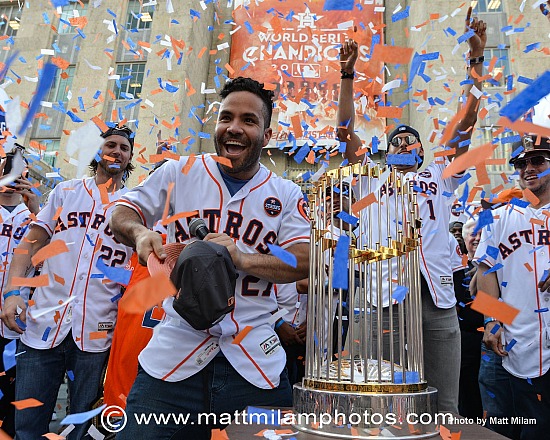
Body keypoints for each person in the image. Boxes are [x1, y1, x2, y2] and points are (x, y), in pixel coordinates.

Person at [109, 77, 310, 440]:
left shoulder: (285, 192)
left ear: (266, 135)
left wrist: (243, 258)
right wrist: (140, 233)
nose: (234, 128)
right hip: (175, 348)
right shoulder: (179, 172)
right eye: (226, 117)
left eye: (249, 120)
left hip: (253, 358)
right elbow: (122, 209)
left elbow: (304, 258)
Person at [337, 7, 486, 413]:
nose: (404, 145)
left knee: (445, 406)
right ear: (386, 154)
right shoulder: (369, 176)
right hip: (381, 298)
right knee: (376, 403)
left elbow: (467, 120)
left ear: (422, 151)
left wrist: (477, 57)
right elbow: (344, 132)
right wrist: (347, 75)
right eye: (396, 142)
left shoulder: (440, 174)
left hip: (435, 300)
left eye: (411, 141)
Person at [0, 124, 135, 439]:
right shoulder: (66, 192)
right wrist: (12, 292)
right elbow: (31, 245)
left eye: (124, 148)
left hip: (97, 334)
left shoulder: (135, 206)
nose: (117, 151)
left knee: (81, 430)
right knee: (27, 427)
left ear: (129, 159)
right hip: (42, 326)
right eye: (110, 145)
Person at [476, 135, 550, 440]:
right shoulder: (498, 217)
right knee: (499, 430)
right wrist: (493, 320)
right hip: (506, 343)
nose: (528, 168)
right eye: (521, 163)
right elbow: (485, 272)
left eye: (537, 160)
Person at [0, 147, 40, 437]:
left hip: (18, 320)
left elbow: (51, 260)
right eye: (7, 168)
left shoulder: (35, 216)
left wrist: (38, 210)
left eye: (19, 170)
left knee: (12, 398)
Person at [454, 218, 483, 419]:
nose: (477, 238)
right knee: (468, 391)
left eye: (482, 233)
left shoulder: (500, 265)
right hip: (467, 340)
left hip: (500, 339)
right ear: (465, 239)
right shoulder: (457, 267)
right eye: (473, 233)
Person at [274, 279, 308, 386]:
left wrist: (313, 321)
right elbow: (261, 301)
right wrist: (279, 324)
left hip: (305, 338)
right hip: (276, 336)